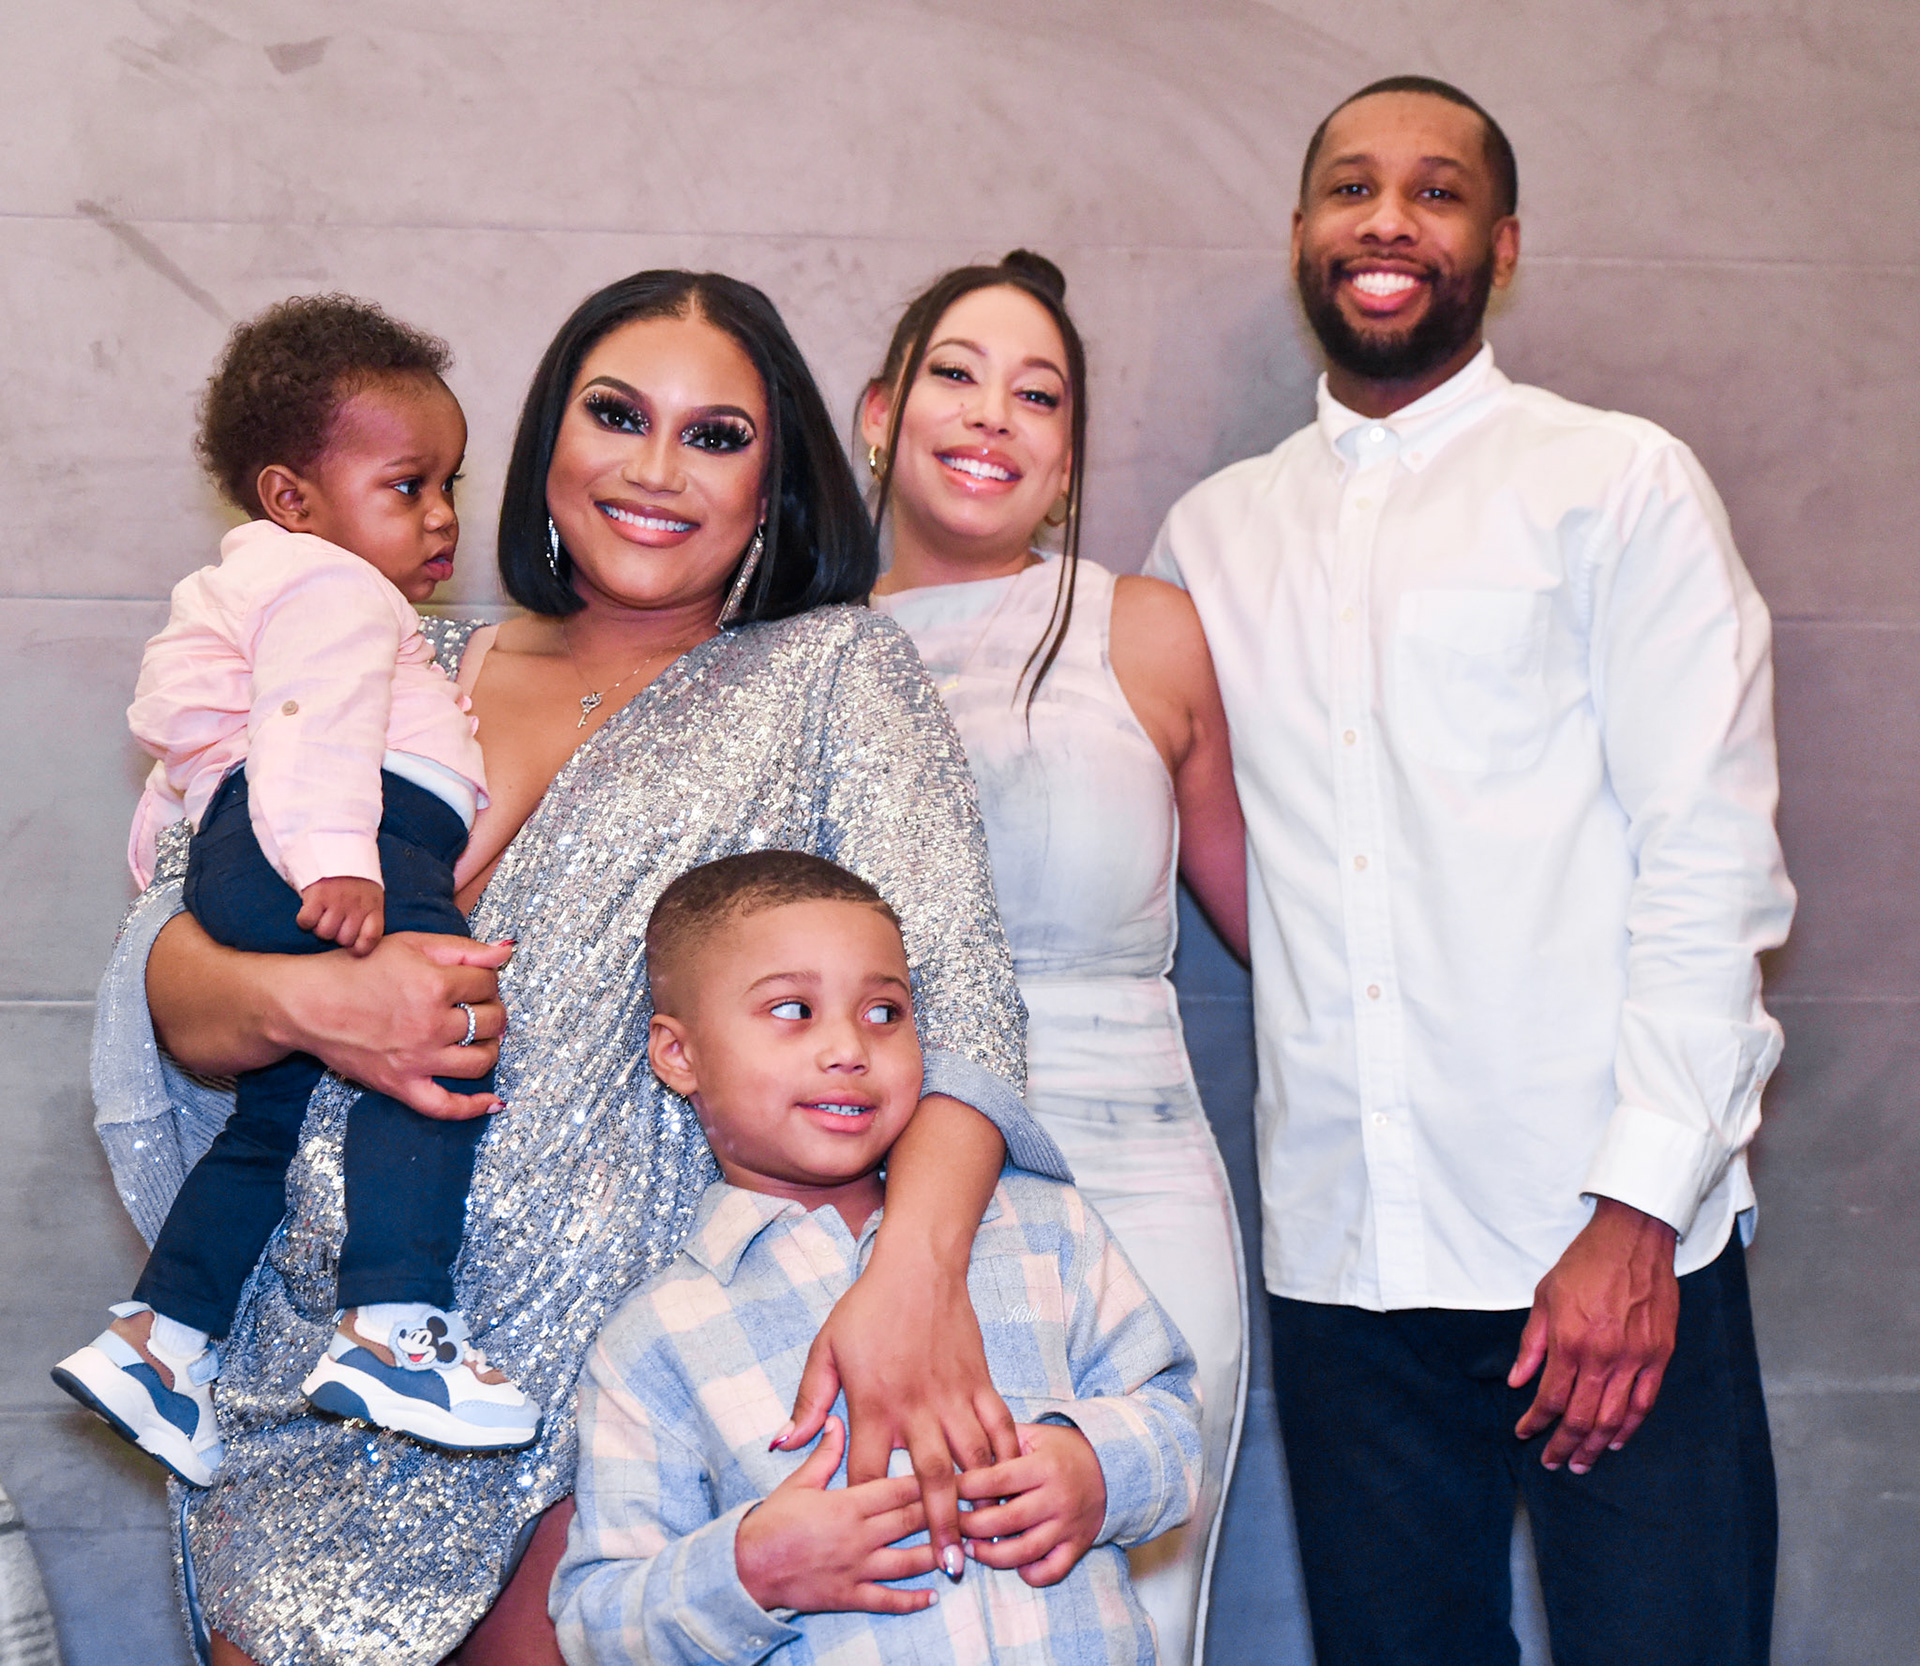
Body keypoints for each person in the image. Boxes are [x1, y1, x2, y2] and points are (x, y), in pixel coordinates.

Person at [87, 270, 1068, 1666]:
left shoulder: (835, 673)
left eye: (715, 436)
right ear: (547, 437)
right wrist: (324, 1005)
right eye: (617, 415)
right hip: (305, 1367)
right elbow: (172, 972)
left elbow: (963, 1005)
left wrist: (913, 1279)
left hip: (628, 1385)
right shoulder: (388, 648)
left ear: (775, 479)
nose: (656, 469)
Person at [1146, 76, 1794, 1666]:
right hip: (1346, 1263)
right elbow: (1234, 857)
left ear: (1501, 249)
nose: (1387, 220)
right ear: (1301, 233)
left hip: (1605, 1241)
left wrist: (1636, 1215)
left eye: (1435, 193)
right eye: (1351, 187)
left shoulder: (1617, 483)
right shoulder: (1209, 540)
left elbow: (1709, 866)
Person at [56, 296, 539, 1486]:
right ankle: (397, 1325)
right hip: (359, 842)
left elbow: (206, 765)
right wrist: (338, 861)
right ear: (292, 497)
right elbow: (310, 723)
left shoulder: (254, 587)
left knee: (269, 1125)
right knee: (437, 1046)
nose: (442, 514)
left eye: (451, 484)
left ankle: (160, 1343)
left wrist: (200, 879)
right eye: (409, 485)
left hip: (262, 851)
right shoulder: (334, 589)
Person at [865, 250, 1249, 1666]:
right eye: (956, 376)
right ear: (879, 415)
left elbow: (1286, 924)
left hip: (1137, 1186)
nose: (993, 416)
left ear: (1070, 455)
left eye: (1037, 395)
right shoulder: (794, 653)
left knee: (1138, 1619)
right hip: (880, 1195)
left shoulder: (1143, 629)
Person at [553, 850, 1202, 1664]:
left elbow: (1174, 1415)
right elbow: (596, 1623)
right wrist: (752, 1569)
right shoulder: (655, 1339)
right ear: (678, 1055)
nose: (849, 1048)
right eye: (793, 1009)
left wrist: (1096, 1469)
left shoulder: (1041, 1224)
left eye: (885, 1012)